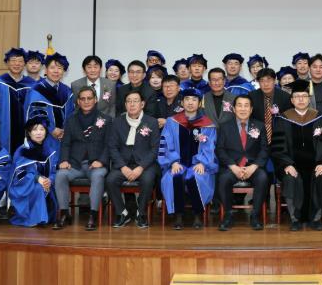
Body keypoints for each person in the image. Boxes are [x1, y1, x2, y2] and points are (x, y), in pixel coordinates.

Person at [272, 79, 322, 231]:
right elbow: (277, 146)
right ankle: (295, 219)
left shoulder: (320, 118)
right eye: (297, 97)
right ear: (292, 100)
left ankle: (316, 218)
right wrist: (287, 164)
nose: (301, 99)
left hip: (315, 164)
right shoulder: (282, 119)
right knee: (290, 178)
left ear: (309, 99)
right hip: (292, 164)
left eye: (304, 96)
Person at [53, 87, 111, 231]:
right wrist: (64, 160)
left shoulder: (106, 119)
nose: (86, 101)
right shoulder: (71, 120)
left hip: (96, 164)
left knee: (98, 176)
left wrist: (101, 161)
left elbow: (109, 145)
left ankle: (93, 214)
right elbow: (66, 143)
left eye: (89, 98)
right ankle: (64, 213)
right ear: (78, 101)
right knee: (60, 175)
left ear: (95, 100)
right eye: (82, 99)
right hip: (75, 165)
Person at [158, 88, 218, 230]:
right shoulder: (172, 122)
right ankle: (178, 215)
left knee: (195, 177)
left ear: (199, 103)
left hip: (199, 164)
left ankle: (198, 215)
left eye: (194, 100)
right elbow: (166, 143)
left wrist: (202, 162)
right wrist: (173, 162)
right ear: (182, 102)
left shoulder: (207, 124)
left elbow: (210, 146)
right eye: (187, 99)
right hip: (177, 163)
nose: (190, 103)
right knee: (174, 176)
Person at [106, 90, 161, 229]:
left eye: (135, 101)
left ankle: (141, 213)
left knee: (148, 180)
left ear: (142, 104)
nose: (132, 104)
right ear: (125, 104)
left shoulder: (152, 122)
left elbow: (154, 149)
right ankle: (122, 213)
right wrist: (122, 167)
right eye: (129, 101)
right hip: (123, 164)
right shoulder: (117, 122)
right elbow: (112, 147)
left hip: (145, 165)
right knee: (110, 180)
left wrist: (141, 167)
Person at [215, 95, 269, 231]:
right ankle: (228, 215)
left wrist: (254, 166)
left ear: (251, 109)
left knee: (263, 178)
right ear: (234, 109)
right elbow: (220, 150)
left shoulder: (259, 126)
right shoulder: (224, 126)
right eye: (239, 105)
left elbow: (264, 149)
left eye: (246, 105)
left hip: (253, 166)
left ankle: (255, 216)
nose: (243, 109)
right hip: (232, 166)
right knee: (223, 179)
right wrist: (233, 166)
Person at [0, 48, 36, 156]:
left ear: (24, 64)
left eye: (20, 61)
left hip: (27, 132)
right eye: (13, 60)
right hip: (2, 132)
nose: (17, 64)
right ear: (7, 63)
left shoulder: (32, 85)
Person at [24, 53, 75, 159]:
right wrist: (51, 129)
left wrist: (65, 131)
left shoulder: (67, 91)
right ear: (46, 70)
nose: (56, 71)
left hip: (63, 139)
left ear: (63, 71)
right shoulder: (36, 90)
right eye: (52, 68)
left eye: (60, 68)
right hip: (43, 137)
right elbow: (34, 115)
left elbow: (71, 114)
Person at [8, 117, 57, 227]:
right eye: (35, 130)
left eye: (42, 129)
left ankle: (43, 216)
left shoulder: (50, 151)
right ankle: (38, 219)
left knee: (45, 188)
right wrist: (37, 178)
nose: (38, 133)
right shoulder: (22, 151)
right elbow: (19, 174)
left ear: (46, 132)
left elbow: (54, 171)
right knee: (38, 188)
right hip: (24, 187)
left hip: (47, 186)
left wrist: (49, 180)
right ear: (29, 133)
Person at [249, 68, 292, 147]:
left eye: (269, 80)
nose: (266, 84)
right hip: (258, 139)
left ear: (274, 81)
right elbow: (250, 119)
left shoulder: (285, 97)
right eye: (262, 81)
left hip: (280, 139)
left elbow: (288, 121)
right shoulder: (252, 96)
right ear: (258, 82)